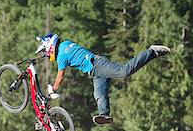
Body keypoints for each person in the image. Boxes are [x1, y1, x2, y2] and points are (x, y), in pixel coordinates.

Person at [35, 34, 170, 124]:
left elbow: (60, 77)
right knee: (99, 94)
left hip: (98, 65)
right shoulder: (66, 44)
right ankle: (104, 114)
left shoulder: (62, 56)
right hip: (95, 69)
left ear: (50, 45)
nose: (47, 53)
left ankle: (152, 52)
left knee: (125, 71)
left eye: (46, 50)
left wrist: (53, 89)